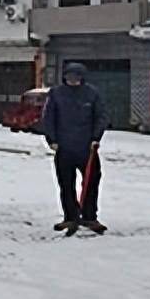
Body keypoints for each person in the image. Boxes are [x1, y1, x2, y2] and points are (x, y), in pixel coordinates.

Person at [41, 62, 109, 235]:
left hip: (87, 148)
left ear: (82, 78)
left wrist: (96, 137)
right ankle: (70, 216)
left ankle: (89, 216)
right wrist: (52, 139)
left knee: (91, 181)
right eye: (69, 77)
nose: (72, 80)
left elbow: (101, 116)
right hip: (63, 148)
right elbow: (49, 117)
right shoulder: (56, 94)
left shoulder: (92, 94)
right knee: (66, 183)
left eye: (76, 77)